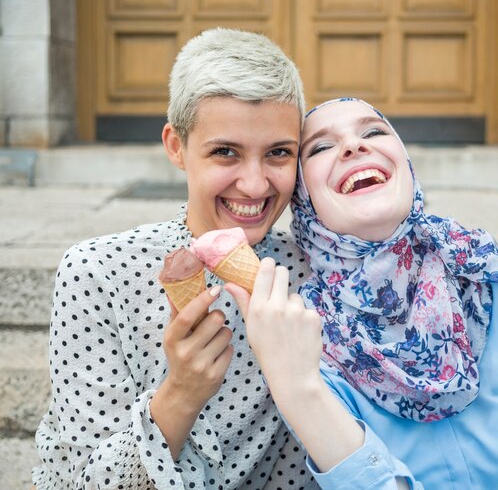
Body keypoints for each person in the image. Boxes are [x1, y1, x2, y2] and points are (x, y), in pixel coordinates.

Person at [226, 98, 498, 489]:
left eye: (374, 131)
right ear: (302, 198)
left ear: (405, 164)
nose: (354, 145)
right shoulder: (306, 339)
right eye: (322, 147)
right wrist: (300, 390)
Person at [32, 29, 317, 489]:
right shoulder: (98, 273)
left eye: (278, 153)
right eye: (225, 152)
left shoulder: (311, 274)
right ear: (176, 146)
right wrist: (181, 393)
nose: (255, 184)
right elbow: (77, 482)